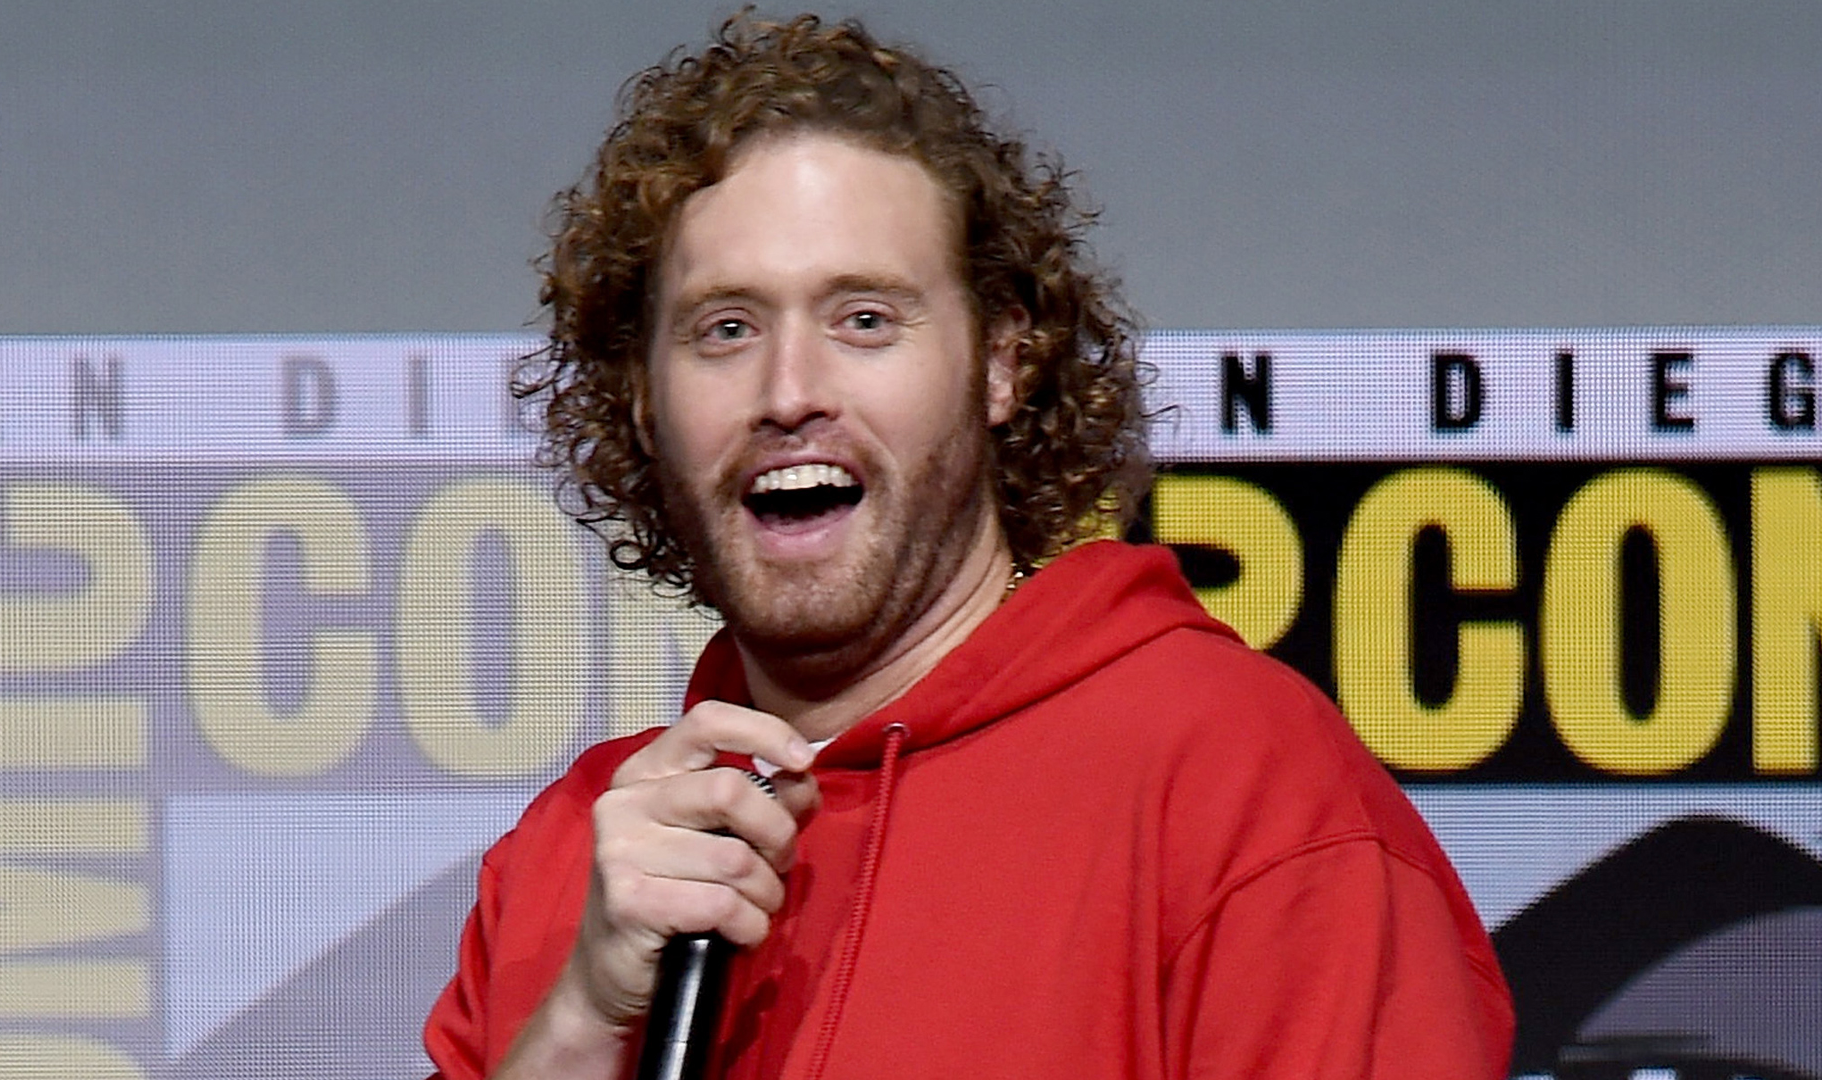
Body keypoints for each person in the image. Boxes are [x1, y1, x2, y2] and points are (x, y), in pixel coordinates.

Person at [424, 12, 1515, 1079]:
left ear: (1002, 364)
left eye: (864, 321)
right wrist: (577, 1027)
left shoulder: (1236, 787)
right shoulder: (583, 852)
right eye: (726, 329)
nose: (789, 392)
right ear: (647, 404)